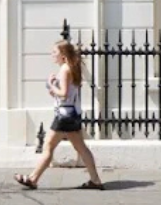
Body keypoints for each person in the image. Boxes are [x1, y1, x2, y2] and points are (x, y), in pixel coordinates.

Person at [16, 39, 105, 191]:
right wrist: (53, 90)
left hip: (64, 116)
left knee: (48, 147)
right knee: (81, 148)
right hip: (72, 114)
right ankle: (95, 180)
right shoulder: (72, 68)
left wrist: (51, 84)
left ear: (63, 55)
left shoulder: (64, 69)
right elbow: (66, 94)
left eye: (54, 52)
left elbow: (63, 94)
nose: (52, 55)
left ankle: (33, 179)